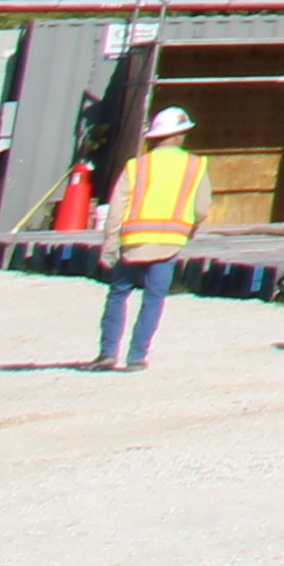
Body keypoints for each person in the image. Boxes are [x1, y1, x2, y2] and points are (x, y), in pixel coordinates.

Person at [93, 109, 208, 370]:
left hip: (133, 243)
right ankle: (137, 357)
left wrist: (110, 244)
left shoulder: (136, 166)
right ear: (179, 135)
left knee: (118, 294)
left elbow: (116, 208)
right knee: (154, 299)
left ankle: (108, 353)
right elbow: (202, 207)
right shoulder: (196, 165)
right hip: (168, 244)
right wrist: (191, 229)